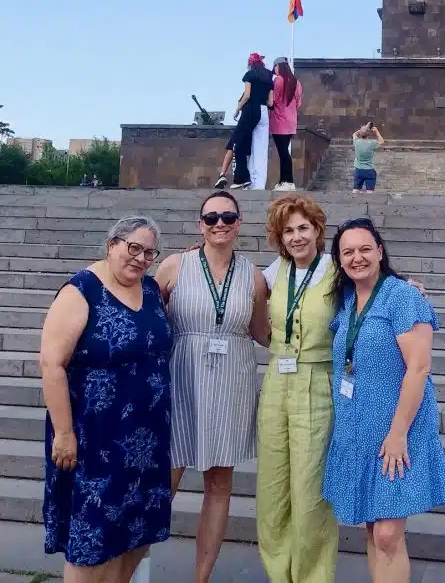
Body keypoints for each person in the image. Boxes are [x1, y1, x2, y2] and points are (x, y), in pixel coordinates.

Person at [40, 216, 172, 583]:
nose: (140, 258)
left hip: (146, 440)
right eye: (133, 248)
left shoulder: (150, 290)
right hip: (93, 439)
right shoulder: (81, 291)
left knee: (132, 535)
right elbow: (51, 364)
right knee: (93, 540)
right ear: (111, 244)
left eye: (149, 253)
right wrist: (64, 433)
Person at [323, 217, 445, 583]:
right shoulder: (346, 301)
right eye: (348, 252)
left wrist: (398, 434)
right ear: (339, 259)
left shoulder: (402, 296)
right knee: (373, 528)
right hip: (358, 429)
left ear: (380, 251)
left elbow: (419, 368)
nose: (357, 257)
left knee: (387, 534)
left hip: (397, 429)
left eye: (365, 248)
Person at [155, 190, 270, 583]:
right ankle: (127, 568)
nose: (219, 223)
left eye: (228, 217)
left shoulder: (253, 275)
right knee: (164, 477)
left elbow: (263, 332)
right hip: (182, 377)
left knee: (219, 483)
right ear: (200, 224)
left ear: (239, 223)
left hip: (232, 382)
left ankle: (200, 578)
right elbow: (143, 312)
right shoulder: (175, 265)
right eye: (211, 218)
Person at [256, 195, 338, 583]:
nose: (296, 237)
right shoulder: (277, 270)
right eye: (288, 230)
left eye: (304, 227)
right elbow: (233, 281)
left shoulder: (336, 269)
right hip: (277, 381)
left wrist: (407, 286)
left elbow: (376, 284)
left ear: (318, 230)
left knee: (309, 490)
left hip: (317, 381)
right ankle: (279, 574)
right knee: (272, 489)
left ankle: (312, 577)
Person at [216, 53, 274, 191]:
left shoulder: (250, 75)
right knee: (254, 147)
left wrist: (237, 109)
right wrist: (261, 100)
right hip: (263, 111)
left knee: (238, 142)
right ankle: (252, 181)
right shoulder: (268, 77)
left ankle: (241, 178)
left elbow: (247, 95)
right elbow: (271, 102)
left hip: (250, 109)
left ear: (250, 64)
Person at [270, 57, 303, 192]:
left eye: (275, 67)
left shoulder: (278, 80)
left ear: (279, 66)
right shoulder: (296, 82)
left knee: (283, 152)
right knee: (283, 151)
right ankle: (283, 181)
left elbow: (273, 100)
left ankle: (288, 181)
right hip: (291, 121)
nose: (274, 70)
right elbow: (298, 103)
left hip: (279, 121)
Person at [352, 121, 384, 192]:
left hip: (358, 170)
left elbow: (354, 134)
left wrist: (363, 129)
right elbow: (382, 141)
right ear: (369, 133)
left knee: (355, 191)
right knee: (370, 193)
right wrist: (376, 131)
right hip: (369, 171)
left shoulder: (356, 142)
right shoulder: (372, 143)